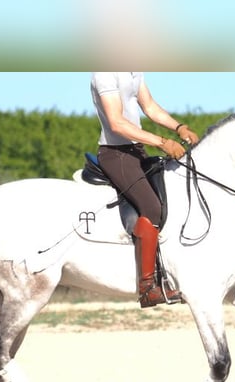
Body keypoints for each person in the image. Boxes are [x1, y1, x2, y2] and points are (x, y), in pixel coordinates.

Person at [90, 72, 200, 308]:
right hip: (115, 153)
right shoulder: (104, 73)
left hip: (137, 151)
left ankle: (168, 274)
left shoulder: (134, 70)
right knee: (151, 207)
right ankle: (147, 288)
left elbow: (149, 107)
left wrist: (179, 127)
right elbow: (116, 123)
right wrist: (162, 142)